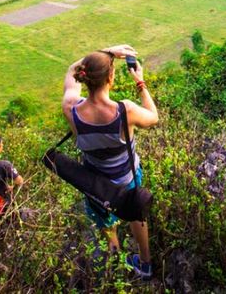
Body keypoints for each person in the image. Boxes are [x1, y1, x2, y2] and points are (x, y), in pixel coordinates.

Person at [62, 44, 159, 279]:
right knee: (136, 213)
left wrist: (105, 53)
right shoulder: (125, 110)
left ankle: (115, 258)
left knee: (105, 219)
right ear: (111, 78)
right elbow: (154, 117)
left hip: (95, 184)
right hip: (126, 180)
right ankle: (145, 264)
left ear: (84, 77)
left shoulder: (71, 108)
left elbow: (70, 69)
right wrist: (140, 83)